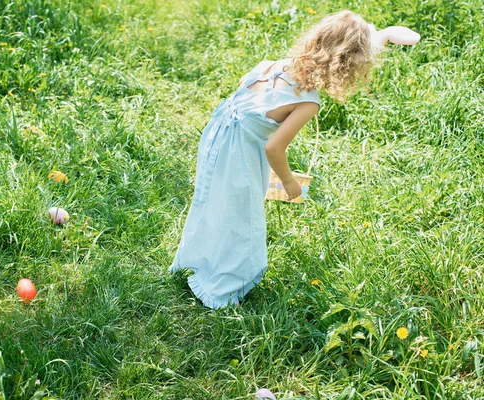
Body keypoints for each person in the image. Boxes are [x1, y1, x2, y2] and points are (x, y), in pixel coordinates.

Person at [169, 10, 394, 309]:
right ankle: (221, 288)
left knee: (212, 202)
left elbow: (248, 101)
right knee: (242, 218)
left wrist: (384, 34)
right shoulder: (307, 102)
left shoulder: (271, 66)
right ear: (348, 66)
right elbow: (274, 149)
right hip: (239, 152)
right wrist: (289, 183)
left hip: (218, 137)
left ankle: (197, 256)